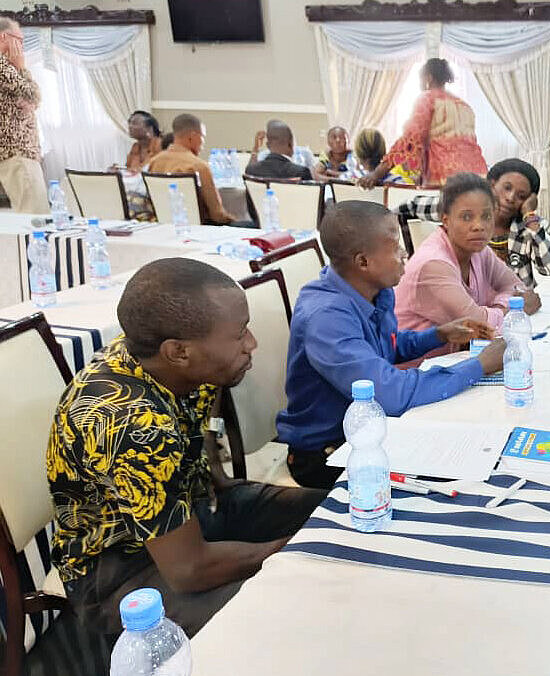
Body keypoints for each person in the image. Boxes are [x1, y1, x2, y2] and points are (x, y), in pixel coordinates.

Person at [47, 258, 327, 637]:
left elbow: (202, 413)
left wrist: (216, 473)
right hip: (122, 571)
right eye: (240, 333)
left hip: (192, 509)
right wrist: (302, 549)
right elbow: (189, 571)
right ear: (178, 352)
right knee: (297, 601)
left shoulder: (174, 357)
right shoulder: (133, 425)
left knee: (339, 508)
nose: (252, 343)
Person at [276, 200, 507, 489]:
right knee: (458, 482)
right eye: (396, 247)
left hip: (369, 431)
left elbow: (383, 348)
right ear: (363, 261)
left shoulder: (372, 290)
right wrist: (480, 365)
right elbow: (390, 393)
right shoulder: (326, 317)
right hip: (328, 454)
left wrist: (439, 335)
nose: (404, 254)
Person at [395, 172, 539, 347]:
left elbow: (516, 287)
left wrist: (498, 307)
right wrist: (518, 309)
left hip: (460, 358)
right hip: (419, 368)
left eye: (486, 216)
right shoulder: (433, 264)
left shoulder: (479, 251)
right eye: (466, 217)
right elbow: (478, 327)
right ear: (446, 220)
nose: (479, 226)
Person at [396, 158, 550, 288]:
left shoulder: (530, 226)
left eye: (521, 196)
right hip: (465, 300)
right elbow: (408, 207)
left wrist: (529, 215)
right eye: (507, 188)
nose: (511, 198)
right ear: (491, 185)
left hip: (516, 305)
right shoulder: (463, 210)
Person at [358, 58, 487, 187]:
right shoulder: (464, 105)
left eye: (420, 78)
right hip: (478, 176)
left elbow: (409, 142)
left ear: (428, 78)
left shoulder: (427, 98)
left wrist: (376, 174)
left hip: (446, 177)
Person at [148, 114, 236, 224]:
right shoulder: (199, 166)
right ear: (192, 137)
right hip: (200, 229)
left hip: (163, 228)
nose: (203, 143)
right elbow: (217, 215)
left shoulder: (154, 162)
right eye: (202, 137)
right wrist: (236, 220)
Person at [0, 18, 48, 214]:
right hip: (17, 151)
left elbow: (36, 98)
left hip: (19, 153)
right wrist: (21, 66)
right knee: (35, 217)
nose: (22, 45)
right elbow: (32, 94)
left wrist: (31, 97)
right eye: (19, 39)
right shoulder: (3, 66)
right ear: (4, 37)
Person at [245, 120, 312, 181]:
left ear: (268, 145)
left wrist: (255, 148)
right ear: (291, 144)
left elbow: (249, 169)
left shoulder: (251, 170)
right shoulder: (301, 173)